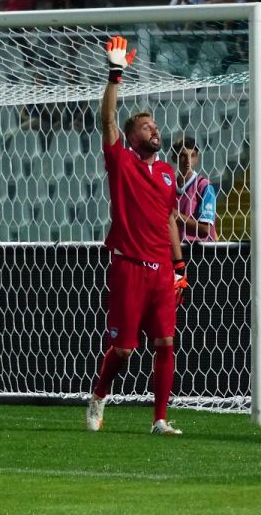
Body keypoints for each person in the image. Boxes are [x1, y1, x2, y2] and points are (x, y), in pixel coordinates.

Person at [86, 36, 187, 436]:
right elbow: (107, 119)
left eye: (156, 125)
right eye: (147, 126)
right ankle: (98, 395)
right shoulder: (121, 160)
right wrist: (115, 74)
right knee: (125, 349)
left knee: (166, 343)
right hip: (129, 266)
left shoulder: (166, 173)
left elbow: (169, 221)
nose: (155, 129)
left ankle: (159, 419)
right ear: (131, 136)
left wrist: (179, 265)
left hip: (163, 270)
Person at [172, 137, 218, 242]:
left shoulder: (204, 187)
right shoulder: (169, 186)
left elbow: (206, 229)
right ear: (174, 158)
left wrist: (176, 216)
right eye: (183, 156)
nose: (188, 161)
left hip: (201, 252)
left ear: (196, 158)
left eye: (192, 156)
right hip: (178, 249)